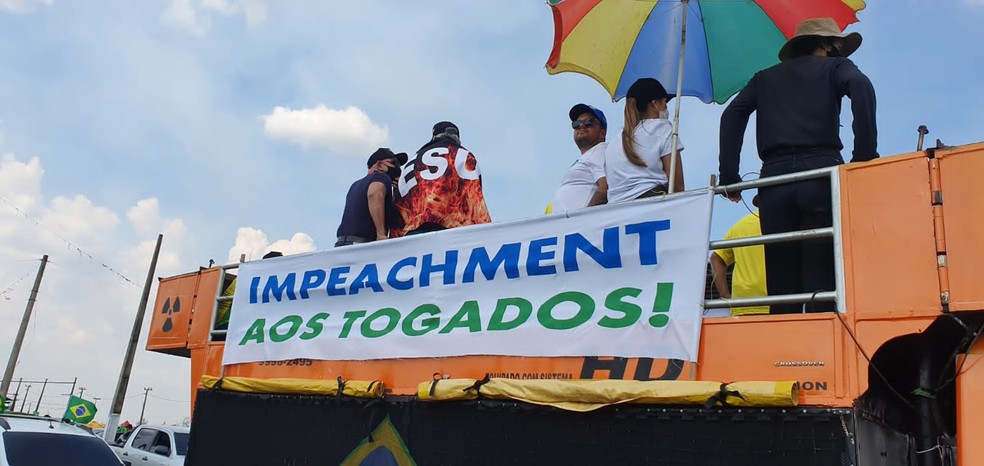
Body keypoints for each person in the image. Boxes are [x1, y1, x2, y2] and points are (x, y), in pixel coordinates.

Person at [718, 17, 878, 314]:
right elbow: (860, 86)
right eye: (838, 47)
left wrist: (729, 175)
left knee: (782, 286)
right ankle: (823, 356)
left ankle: (786, 353)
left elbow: (732, 116)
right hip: (820, 174)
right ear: (827, 44)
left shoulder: (764, 78)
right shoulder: (837, 68)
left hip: (774, 183)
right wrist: (865, 156)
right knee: (823, 280)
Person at [393, 121, 491, 236]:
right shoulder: (462, 154)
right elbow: (473, 194)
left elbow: (399, 203)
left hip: (412, 232)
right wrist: (484, 232)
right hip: (449, 227)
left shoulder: (411, 162)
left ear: (434, 137)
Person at [605, 78, 684, 203]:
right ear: (654, 104)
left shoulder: (615, 140)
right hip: (652, 205)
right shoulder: (662, 128)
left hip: (616, 212)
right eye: (664, 102)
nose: (666, 107)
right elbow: (677, 186)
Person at [336, 148, 408, 247]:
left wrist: (395, 194)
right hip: (362, 245)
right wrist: (381, 234)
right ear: (379, 165)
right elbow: (374, 194)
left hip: (342, 243)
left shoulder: (356, 184)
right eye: (394, 163)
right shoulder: (382, 177)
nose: (397, 168)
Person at [710, 195, 768, 316]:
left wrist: (724, 295)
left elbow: (716, 258)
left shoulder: (740, 226)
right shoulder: (789, 224)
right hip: (782, 300)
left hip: (743, 303)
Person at [549, 103, 609, 212]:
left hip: (581, 225)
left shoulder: (600, 150)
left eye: (589, 122)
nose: (582, 126)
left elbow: (606, 186)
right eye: (576, 124)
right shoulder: (589, 156)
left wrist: (584, 218)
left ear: (602, 133)